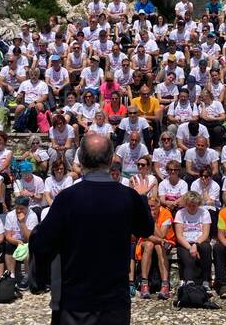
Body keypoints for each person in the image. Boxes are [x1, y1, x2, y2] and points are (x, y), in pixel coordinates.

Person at [30, 133, 153, 325]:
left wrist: (42, 279)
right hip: (114, 302)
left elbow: (41, 243)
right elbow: (146, 229)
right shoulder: (128, 196)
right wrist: (142, 198)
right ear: (111, 159)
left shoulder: (67, 198)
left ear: (80, 160)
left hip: (76, 301)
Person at [137, 197, 174, 300]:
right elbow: (143, 234)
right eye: (148, 206)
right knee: (149, 245)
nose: (149, 208)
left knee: (158, 246)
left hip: (165, 241)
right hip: (147, 240)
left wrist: (152, 221)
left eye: (152, 206)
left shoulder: (166, 214)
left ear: (159, 206)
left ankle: (165, 285)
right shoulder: (143, 213)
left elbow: (162, 235)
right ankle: (144, 284)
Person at [174, 191, 212, 290]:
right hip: (185, 242)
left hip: (200, 241)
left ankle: (205, 280)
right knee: (188, 259)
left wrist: (195, 244)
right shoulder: (180, 213)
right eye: (189, 205)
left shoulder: (204, 213)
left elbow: (205, 233)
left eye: (194, 205)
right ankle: (189, 282)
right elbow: (179, 235)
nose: (191, 207)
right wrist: (190, 247)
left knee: (206, 248)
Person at [4, 196, 38, 289]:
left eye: (21, 209)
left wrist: (22, 222)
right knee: (8, 246)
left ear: (27, 207)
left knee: (28, 248)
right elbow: (7, 236)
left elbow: (30, 238)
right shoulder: (10, 215)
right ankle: (11, 275)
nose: (18, 211)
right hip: (15, 241)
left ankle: (27, 276)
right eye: (16, 208)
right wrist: (16, 242)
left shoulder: (32, 216)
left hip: (28, 242)